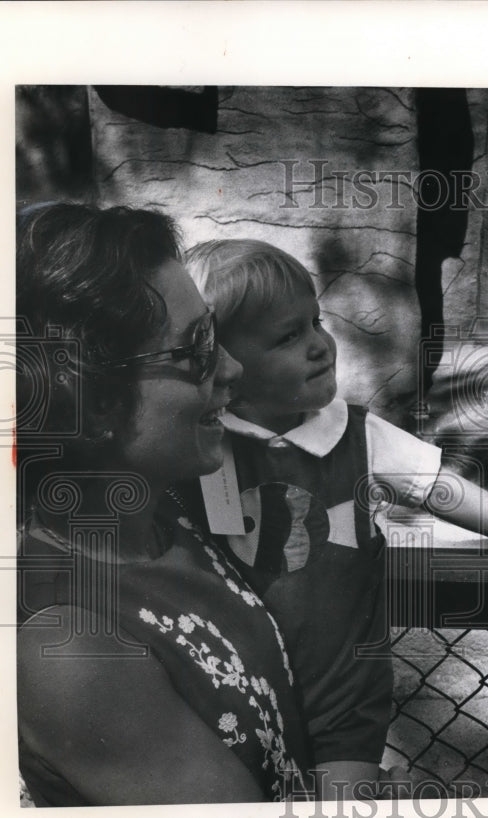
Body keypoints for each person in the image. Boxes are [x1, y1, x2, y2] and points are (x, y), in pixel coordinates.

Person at [186, 239, 488, 799]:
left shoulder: (356, 434)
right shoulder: (197, 447)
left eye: (315, 322)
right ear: (223, 362)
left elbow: (440, 487)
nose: (319, 346)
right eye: (288, 337)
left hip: (344, 695)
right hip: (232, 692)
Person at [15, 204, 309, 805]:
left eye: (214, 332)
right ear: (92, 403)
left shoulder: (169, 510)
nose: (231, 368)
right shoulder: (71, 649)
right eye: (196, 347)